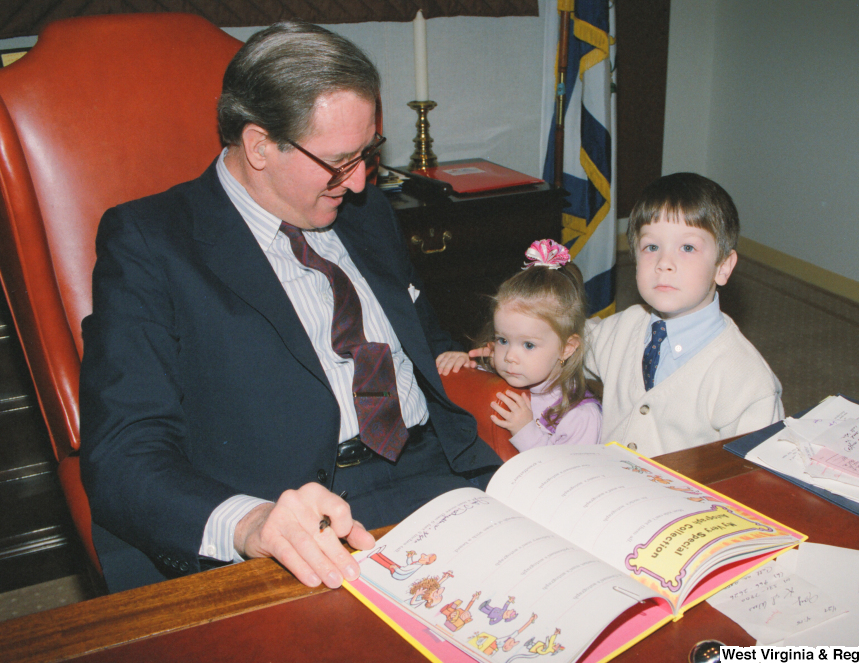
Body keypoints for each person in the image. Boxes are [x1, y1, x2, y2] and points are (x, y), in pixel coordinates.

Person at [78, 21, 500, 593]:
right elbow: (123, 451)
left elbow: (421, 337)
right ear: (258, 146)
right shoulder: (151, 242)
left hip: (442, 475)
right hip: (300, 516)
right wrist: (250, 523)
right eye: (338, 162)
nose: (356, 185)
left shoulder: (364, 212)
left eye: (367, 156)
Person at [587, 173, 783, 456]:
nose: (664, 263)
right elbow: (566, 345)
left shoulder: (746, 379)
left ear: (723, 267)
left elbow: (759, 472)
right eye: (651, 247)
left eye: (688, 247)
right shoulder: (623, 327)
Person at [437, 240, 602, 450]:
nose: (509, 357)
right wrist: (464, 364)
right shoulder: (507, 372)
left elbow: (568, 476)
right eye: (503, 340)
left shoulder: (580, 416)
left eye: (529, 345)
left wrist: (527, 433)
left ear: (567, 348)